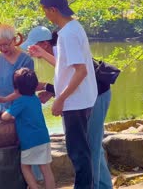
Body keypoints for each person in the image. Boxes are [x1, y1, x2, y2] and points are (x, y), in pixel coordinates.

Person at [25, 26, 113, 188]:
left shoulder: (60, 48)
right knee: (93, 146)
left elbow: (74, 73)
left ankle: (95, 185)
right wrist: (51, 90)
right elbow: (67, 79)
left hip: (97, 95)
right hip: (89, 95)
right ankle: (104, 185)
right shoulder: (55, 51)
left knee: (92, 146)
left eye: (33, 47)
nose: (32, 53)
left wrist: (49, 88)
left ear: (44, 44)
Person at [29, 0, 97, 188]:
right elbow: (65, 64)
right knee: (80, 151)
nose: (45, 14)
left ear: (53, 9)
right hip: (81, 99)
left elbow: (81, 71)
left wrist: (60, 99)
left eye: (45, 10)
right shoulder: (74, 28)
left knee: (78, 153)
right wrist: (42, 54)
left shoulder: (68, 34)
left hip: (76, 102)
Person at [1, 68, 55, 189]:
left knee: (25, 167)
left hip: (30, 141)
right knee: (46, 168)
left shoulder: (20, 101)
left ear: (16, 88)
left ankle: (34, 187)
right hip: (43, 138)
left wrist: (5, 112)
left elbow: (6, 117)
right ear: (35, 86)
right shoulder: (35, 99)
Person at [0, 24, 34, 111]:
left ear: (14, 40)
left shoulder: (26, 60)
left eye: (6, 44)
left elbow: (28, 88)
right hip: (2, 108)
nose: (3, 49)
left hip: (22, 106)